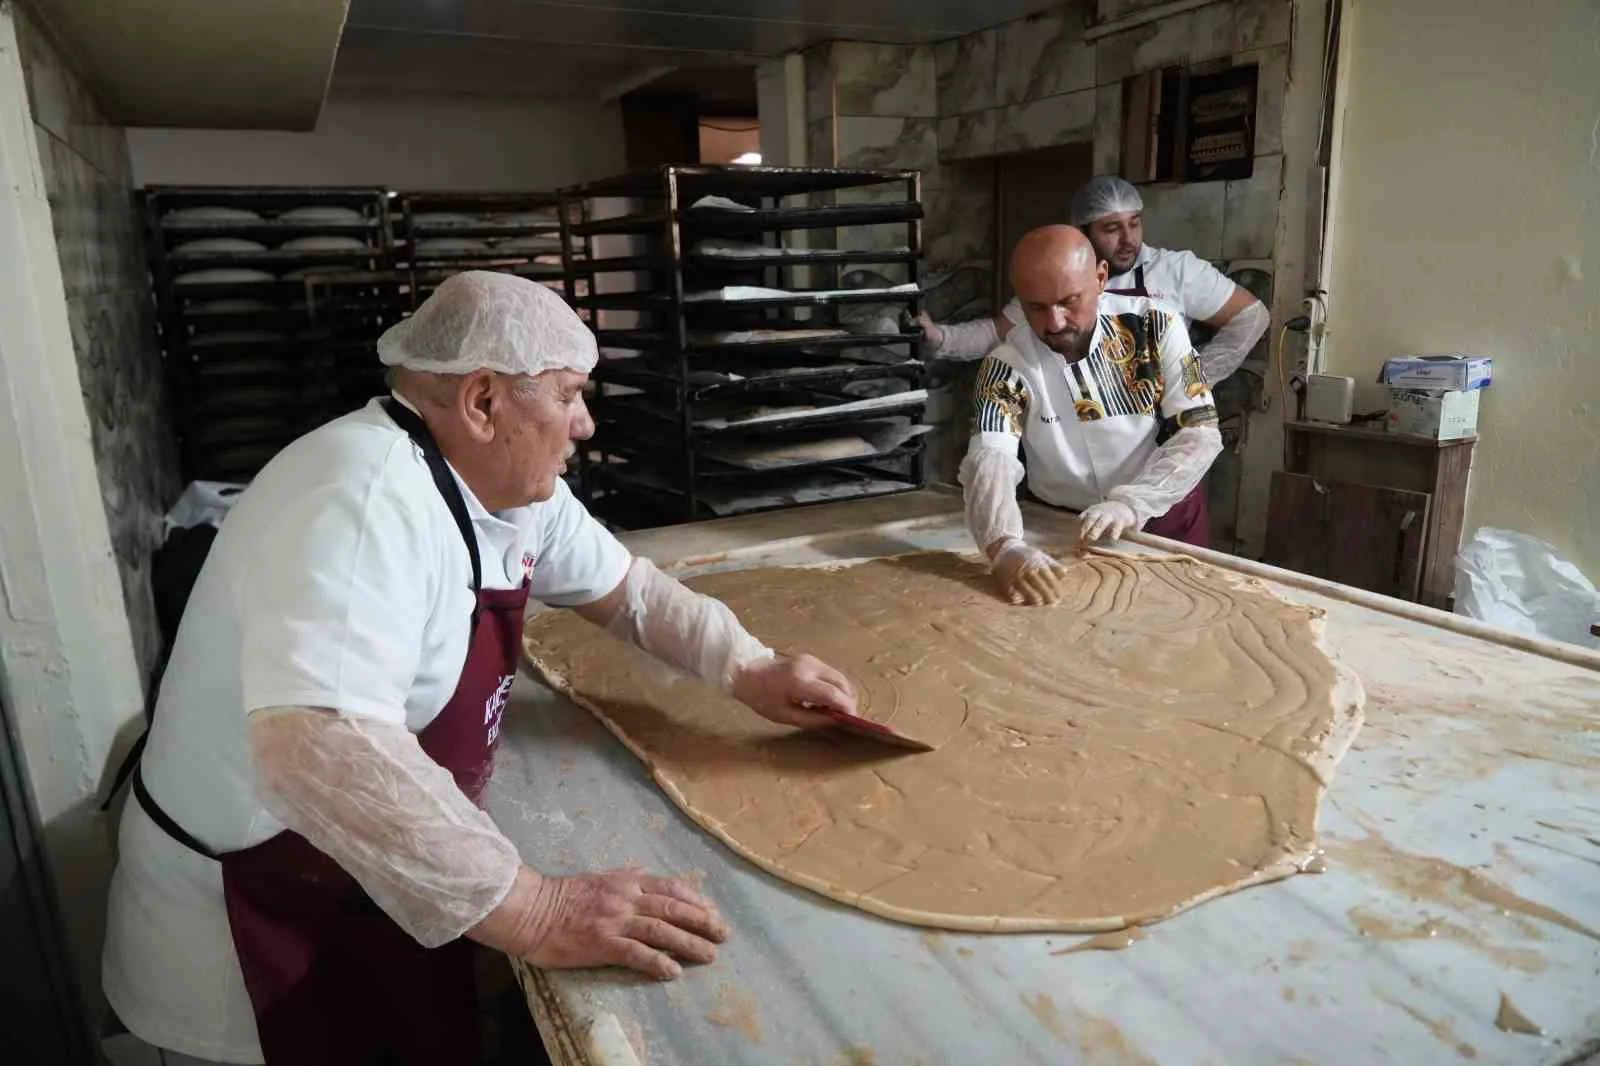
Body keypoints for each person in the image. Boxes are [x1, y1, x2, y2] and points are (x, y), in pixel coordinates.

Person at [100, 271, 860, 1066]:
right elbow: (321, 747)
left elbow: (628, 591)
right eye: (568, 396)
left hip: (360, 883)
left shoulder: (504, 485)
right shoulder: (361, 498)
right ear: (484, 402)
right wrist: (535, 911)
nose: (586, 424)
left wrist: (752, 668)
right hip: (245, 930)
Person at [962, 227, 1223, 605]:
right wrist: (1004, 547)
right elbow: (990, 459)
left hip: (1161, 517)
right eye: (1036, 307)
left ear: (1100, 278)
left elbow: (1199, 432)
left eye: (1069, 302)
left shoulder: (1155, 327)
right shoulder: (1006, 365)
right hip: (1063, 527)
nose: (1054, 322)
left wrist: (1132, 503)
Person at [921, 176, 1270, 385]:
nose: (1129, 239)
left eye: (1134, 223)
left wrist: (1194, 381)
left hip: (1158, 435)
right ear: (1082, 231)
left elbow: (1251, 316)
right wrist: (941, 338)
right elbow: (995, 334)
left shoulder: (1177, 271)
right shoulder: (1057, 277)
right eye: (1112, 228)